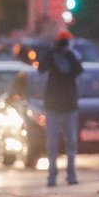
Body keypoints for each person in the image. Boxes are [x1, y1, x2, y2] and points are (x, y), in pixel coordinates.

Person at [38, 30, 84, 186]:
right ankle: (68, 175)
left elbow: (40, 69)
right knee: (68, 142)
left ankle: (54, 175)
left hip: (55, 105)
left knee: (54, 142)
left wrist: (53, 52)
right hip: (67, 105)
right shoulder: (70, 56)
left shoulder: (56, 55)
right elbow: (78, 70)